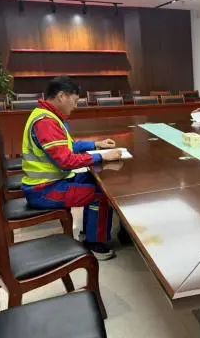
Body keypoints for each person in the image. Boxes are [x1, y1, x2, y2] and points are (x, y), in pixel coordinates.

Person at [21, 76, 123, 260]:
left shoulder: (47, 115)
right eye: (75, 101)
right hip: (43, 190)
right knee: (102, 195)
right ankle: (95, 244)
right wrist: (101, 156)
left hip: (52, 182)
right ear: (62, 96)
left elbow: (68, 147)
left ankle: (89, 231)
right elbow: (66, 160)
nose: (75, 106)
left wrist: (96, 145)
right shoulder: (46, 122)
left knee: (97, 183)